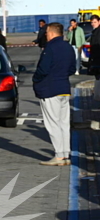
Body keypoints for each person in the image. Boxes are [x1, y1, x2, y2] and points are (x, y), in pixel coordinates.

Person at [33, 22, 77, 166]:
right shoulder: (68, 47)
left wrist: (36, 80)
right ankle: (65, 154)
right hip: (64, 88)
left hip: (49, 89)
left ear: (51, 33)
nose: (45, 35)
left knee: (53, 123)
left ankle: (58, 155)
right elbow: (72, 68)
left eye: (46, 33)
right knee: (64, 123)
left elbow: (43, 69)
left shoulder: (50, 48)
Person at [88, 15, 100, 80]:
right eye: (92, 22)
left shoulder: (98, 32)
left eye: (95, 22)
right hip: (95, 57)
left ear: (99, 22)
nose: (93, 24)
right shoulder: (94, 31)